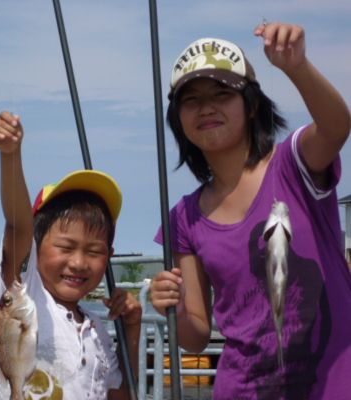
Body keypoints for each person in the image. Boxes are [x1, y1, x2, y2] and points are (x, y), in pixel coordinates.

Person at [149, 22, 351, 399]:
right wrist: (167, 306)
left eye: (222, 93)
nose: (206, 107)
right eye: (190, 100)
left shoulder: (293, 163)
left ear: (252, 103)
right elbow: (194, 336)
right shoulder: (183, 219)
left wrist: (297, 67)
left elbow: (337, 127)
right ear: (178, 117)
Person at [0, 111, 142, 399]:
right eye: (65, 247)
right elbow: (17, 224)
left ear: (109, 256)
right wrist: (11, 156)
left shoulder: (97, 329)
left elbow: (120, 396)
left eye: (94, 251)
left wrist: (131, 330)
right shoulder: (24, 291)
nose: (79, 262)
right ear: (34, 246)